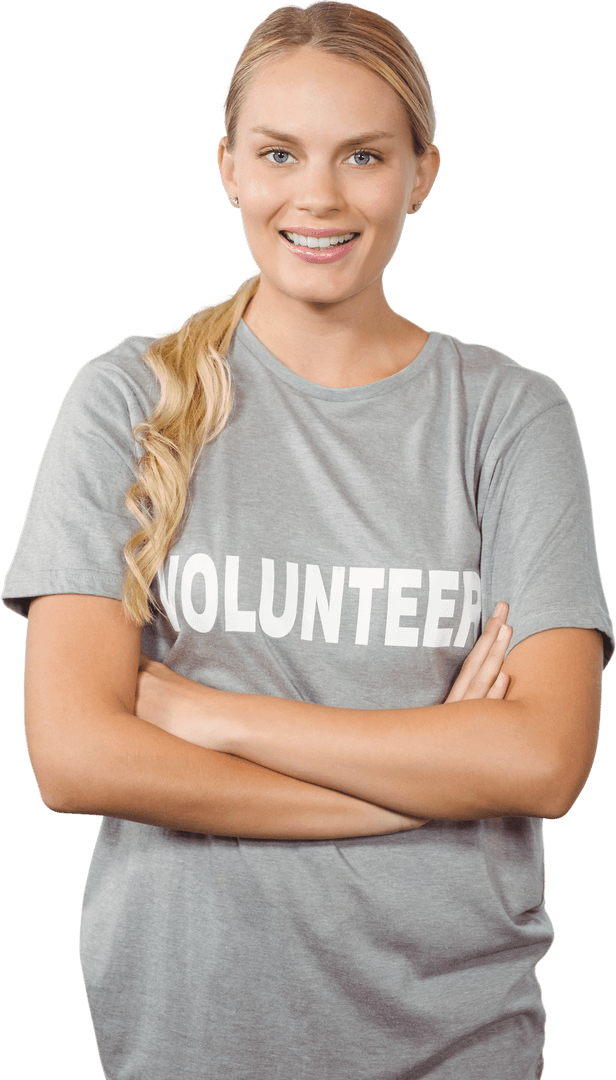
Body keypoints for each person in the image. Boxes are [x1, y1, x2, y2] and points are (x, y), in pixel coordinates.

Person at [2, 1, 613, 1077]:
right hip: (190, 1034)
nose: (317, 196)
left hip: (458, 1034)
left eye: (365, 156)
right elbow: (74, 753)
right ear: (229, 166)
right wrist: (416, 783)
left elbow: (544, 757)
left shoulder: (511, 415)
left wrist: (205, 715)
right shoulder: (125, 403)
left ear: (421, 173)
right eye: (279, 152)